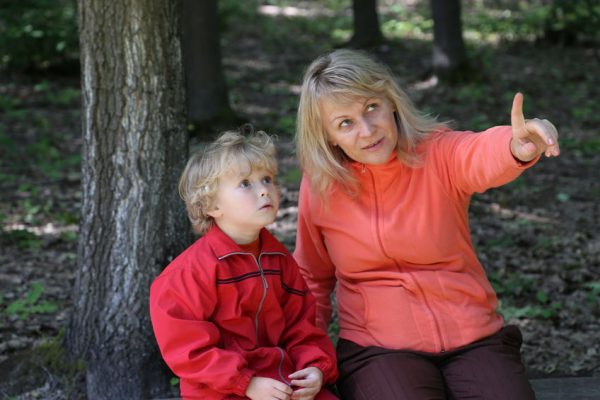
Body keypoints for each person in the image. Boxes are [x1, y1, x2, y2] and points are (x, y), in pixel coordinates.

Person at [293, 49, 560, 400]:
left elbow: (477, 153)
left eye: (371, 107)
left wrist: (516, 146)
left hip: (474, 338)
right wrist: (309, 355)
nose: (367, 130)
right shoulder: (321, 186)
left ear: (391, 102)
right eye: (345, 123)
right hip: (378, 350)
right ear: (328, 136)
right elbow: (311, 278)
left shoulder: (436, 153)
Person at [150, 127, 338, 400]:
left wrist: (314, 367)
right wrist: (245, 383)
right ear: (212, 206)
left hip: (284, 382)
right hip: (221, 391)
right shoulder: (189, 273)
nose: (264, 191)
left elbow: (301, 326)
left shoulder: (279, 260)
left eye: (267, 179)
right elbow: (188, 350)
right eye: (245, 183)